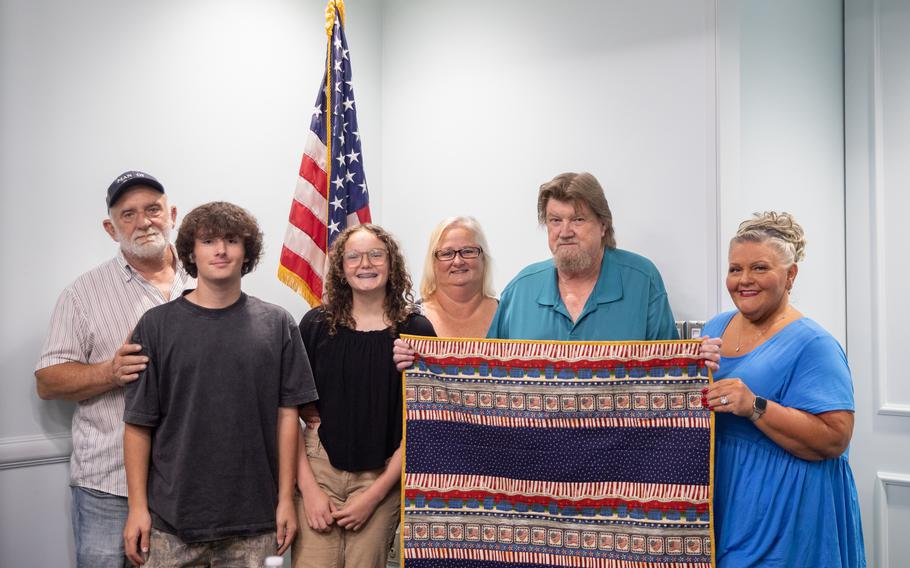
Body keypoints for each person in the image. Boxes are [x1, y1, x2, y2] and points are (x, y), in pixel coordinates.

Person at [122, 202, 318, 567]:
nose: (221, 250)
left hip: (255, 521)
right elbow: (138, 423)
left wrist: (286, 499)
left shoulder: (277, 324)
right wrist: (137, 508)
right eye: (208, 241)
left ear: (247, 252)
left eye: (231, 240)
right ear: (191, 254)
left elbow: (288, 416)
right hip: (172, 520)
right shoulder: (156, 326)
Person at [34, 170, 190, 567]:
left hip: (190, 481)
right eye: (128, 214)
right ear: (110, 227)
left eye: (153, 209)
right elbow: (47, 382)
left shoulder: (208, 279)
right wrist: (109, 372)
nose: (144, 222)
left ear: (171, 213)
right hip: (109, 486)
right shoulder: (82, 294)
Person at [702, 212, 865, 567]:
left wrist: (754, 405)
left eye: (760, 268)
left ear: (790, 275)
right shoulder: (714, 327)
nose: (744, 280)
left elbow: (836, 438)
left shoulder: (814, 344)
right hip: (726, 500)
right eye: (735, 269)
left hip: (787, 510)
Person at [293, 224, 435, 568]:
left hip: (383, 474)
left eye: (376, 254)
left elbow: (421, 424)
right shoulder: (315, 325)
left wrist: (375, 496)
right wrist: (309, 491)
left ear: (392, 264)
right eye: (353, 256)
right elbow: (288, 409)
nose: (365, 264)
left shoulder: (416, 330)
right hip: (319, 467)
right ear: (341, 269)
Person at [418, 216, 498, 337]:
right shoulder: (407, 320)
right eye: (446, 253)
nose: (458, 261)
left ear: (483, 258)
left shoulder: (507, 317)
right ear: (433, 263)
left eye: (468, 251)